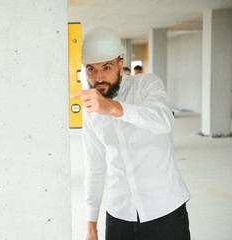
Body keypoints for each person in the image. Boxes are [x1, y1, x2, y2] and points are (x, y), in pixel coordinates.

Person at [70, 26, 191, 240]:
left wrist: (113, 107)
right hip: (119, 215)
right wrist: (91, 224)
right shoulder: (90, 111)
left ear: (120, 64)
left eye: (106, 67)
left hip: (164, 211)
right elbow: (95, 167)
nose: (99, 77)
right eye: (91, 69)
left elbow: (163, 120)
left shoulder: (147, 85)